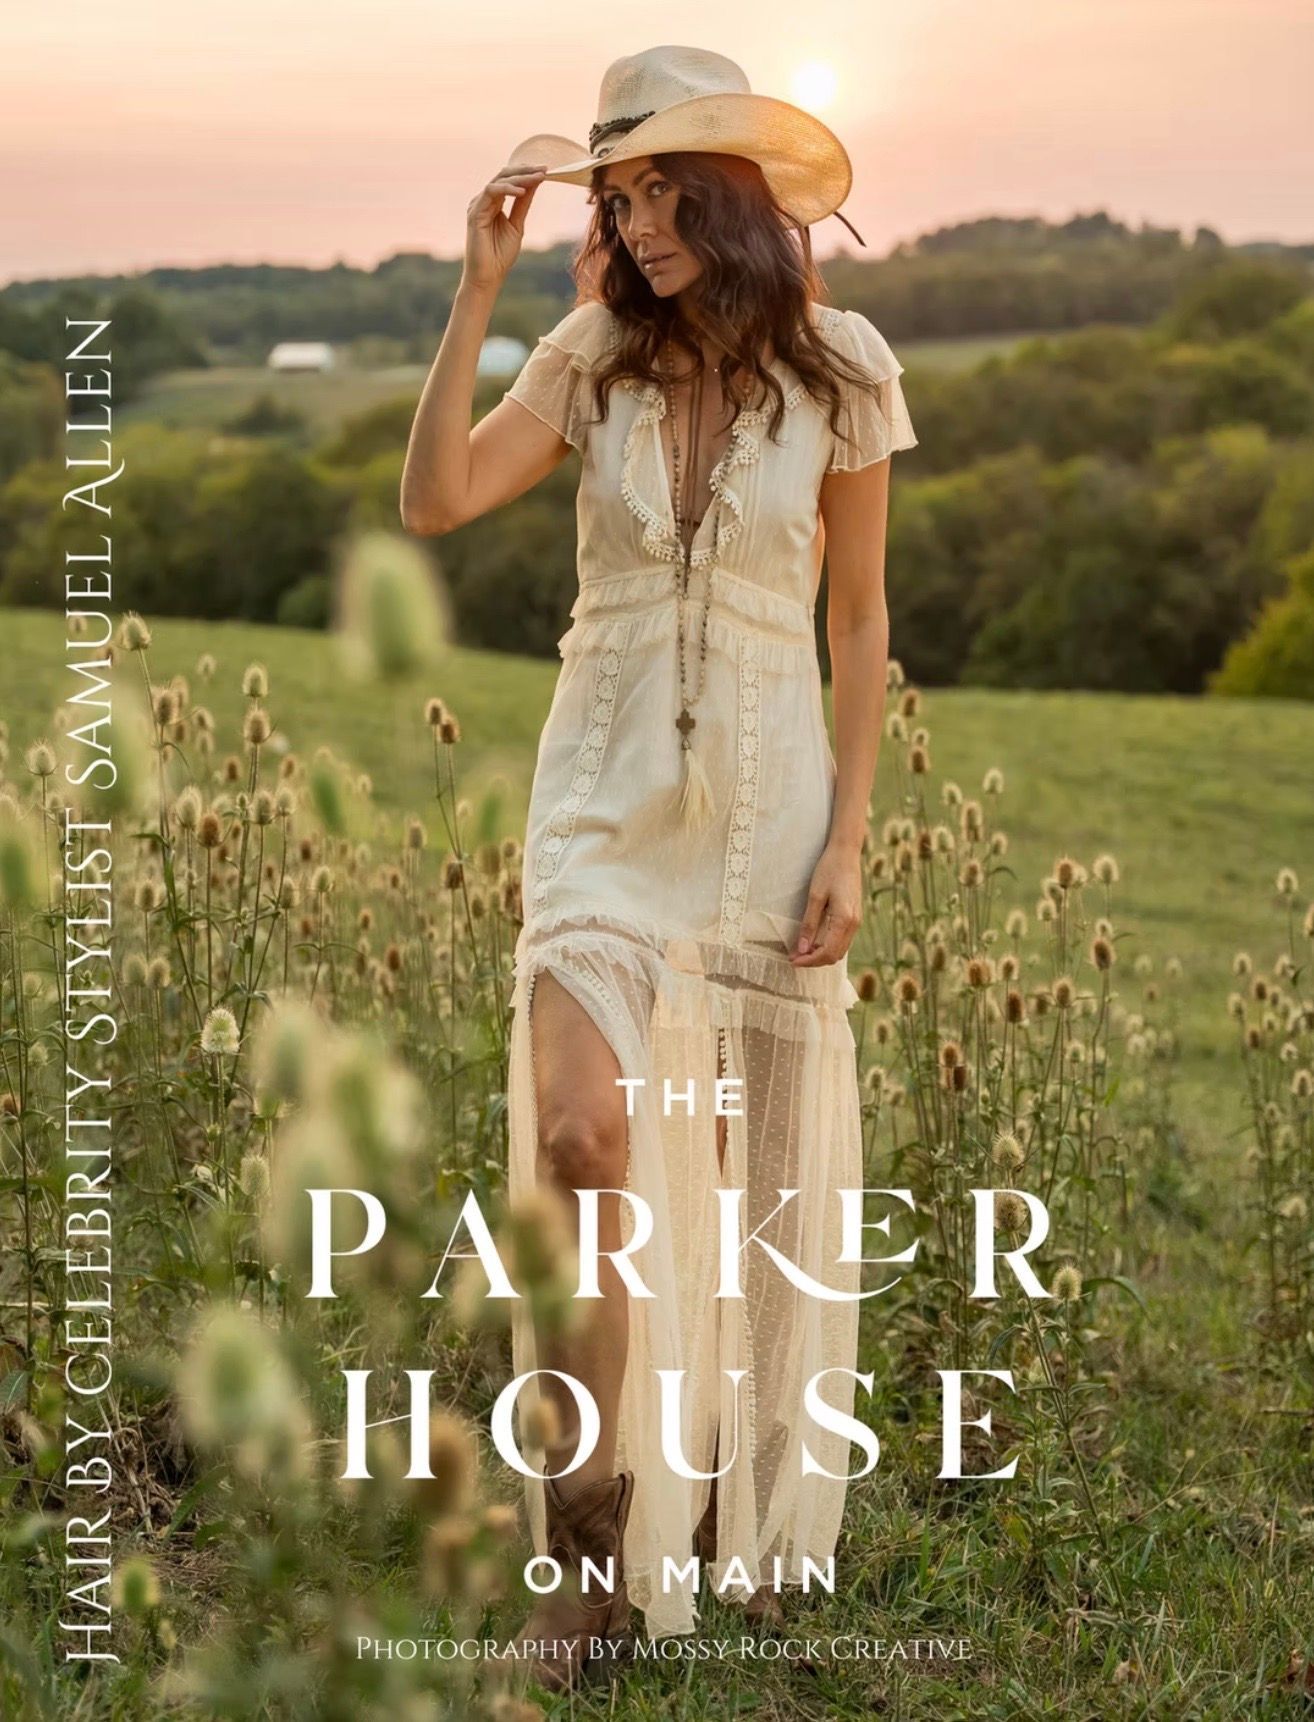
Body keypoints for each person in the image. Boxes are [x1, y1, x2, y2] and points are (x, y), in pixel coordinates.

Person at [401, 44, 917, 1693]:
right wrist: (477, 290)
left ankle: (744, 1518)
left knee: (755, 1193)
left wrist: (848, 831)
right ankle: (588, 1549)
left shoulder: (843, 371)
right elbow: (437, 498)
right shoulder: (586, 357)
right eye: (611, 193)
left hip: (767, 809)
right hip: (598, 803)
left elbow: (856, 621)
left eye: (654, 188)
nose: (630, 220)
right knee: (579, 1142)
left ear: (729, 194)